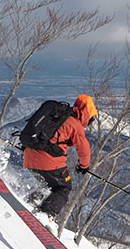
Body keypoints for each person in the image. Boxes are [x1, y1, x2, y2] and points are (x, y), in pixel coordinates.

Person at [23, 94, 98, 223]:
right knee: (64, 187)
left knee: (49, 185)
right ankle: (46, 214)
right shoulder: (75, 125)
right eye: (91, 119)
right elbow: (84, 150)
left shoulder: (56, 116)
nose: (89, 122)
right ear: (86, 114)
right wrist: (84, 166)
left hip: (29, 157)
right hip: (48, 162)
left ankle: (30, 203)